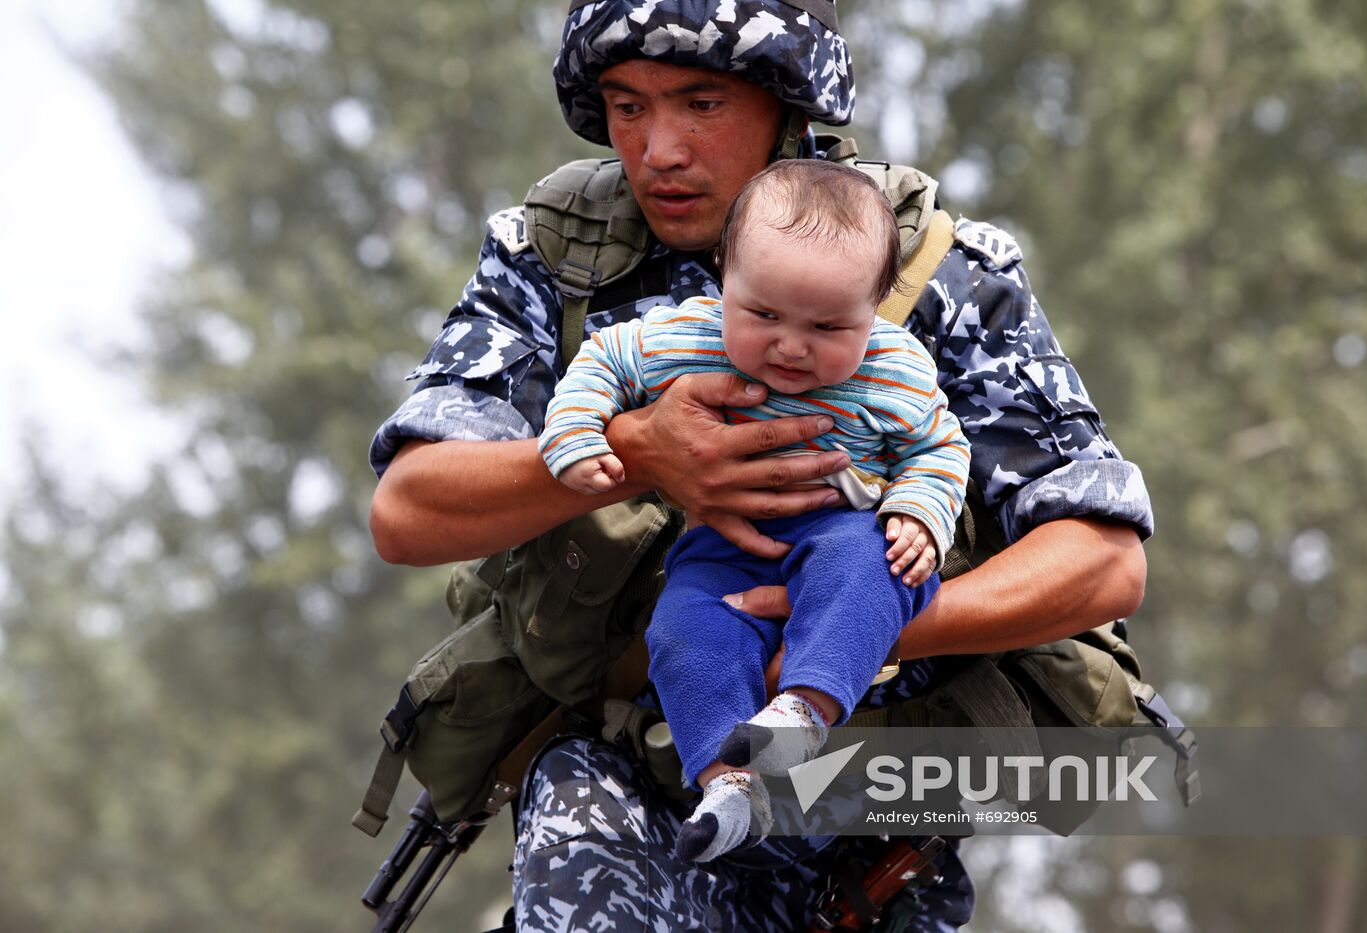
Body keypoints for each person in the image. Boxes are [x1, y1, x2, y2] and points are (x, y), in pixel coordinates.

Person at [369, 1, 1153, 929]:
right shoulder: (555, 254)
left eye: (700, 103)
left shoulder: (931, 272)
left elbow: (1106, 558)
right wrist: (635, 452)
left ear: (788, 104)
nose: (657, 148)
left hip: (867, 812)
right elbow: (407, 511)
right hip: (633, 779)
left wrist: (872, 621)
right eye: (627, 106)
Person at [539, 159, 970, 862]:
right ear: (723, 277)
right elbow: (603, 359)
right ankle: (726, 785)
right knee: (681, 633)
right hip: (721, 547)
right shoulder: (687, 336)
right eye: (763, 314)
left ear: (876, 305)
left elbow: (940, 447)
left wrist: (921, 513)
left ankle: (802, 713)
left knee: (871, 567)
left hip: (845, 526)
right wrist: (578, 430)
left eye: (830, 325)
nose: (792, 345)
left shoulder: (897, 367)